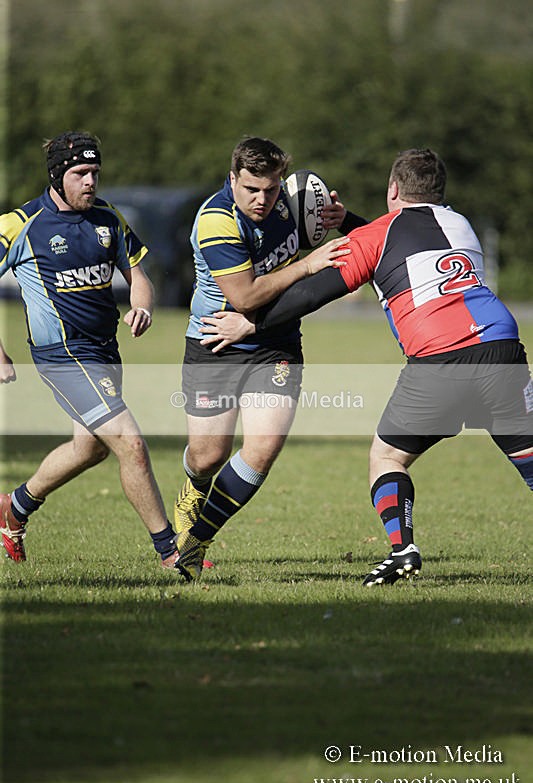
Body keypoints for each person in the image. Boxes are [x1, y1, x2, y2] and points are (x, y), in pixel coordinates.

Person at [198, 148, 533, 586]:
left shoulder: (378, 234)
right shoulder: (459, 224)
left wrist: (251, 321)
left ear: (393, 189)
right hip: (502, 348)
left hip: (439, 356)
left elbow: (315, 292)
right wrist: (349, 220)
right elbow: (400, 240)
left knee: (388, 456)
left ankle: (403, 549)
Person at [172, 136, 356, 581]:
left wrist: (341, 218)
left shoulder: (292, 203)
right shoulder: (217, 220)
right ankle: (194, 489)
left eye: (270, 189)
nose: (261, 200)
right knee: (208, 455)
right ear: (232, 178)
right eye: (251, 188)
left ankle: (197, 541)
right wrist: (307, 265)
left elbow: (344, 240)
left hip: (275, 343)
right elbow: (245, 294)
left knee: (262, 448)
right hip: (216, 344)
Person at [0, 130, 181, 569]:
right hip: (61, 358)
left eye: (95, 172)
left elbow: (138, 273)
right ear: (58, 175)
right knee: (131, 444)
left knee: (91, 447)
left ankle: (15, 508)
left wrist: (142, 305)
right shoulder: (21, 224)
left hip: (103, 353)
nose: (90, 182)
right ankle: (172, 552)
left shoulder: (108, 218)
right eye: (80, 173)